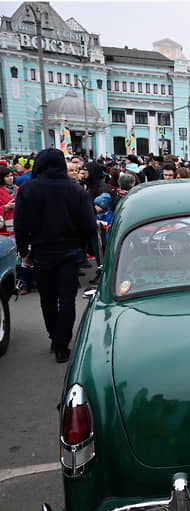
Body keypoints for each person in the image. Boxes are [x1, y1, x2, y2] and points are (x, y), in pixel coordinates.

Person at [13, 149, 97, 363]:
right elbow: (88, 225)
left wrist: (24, 251)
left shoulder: (28, 189)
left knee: (47, 298)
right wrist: (80, 247)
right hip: (69, 251)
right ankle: (62, 344)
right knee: (67, 299)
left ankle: (54, 337)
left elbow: (20, 224)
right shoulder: (76, 190)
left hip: (41, 251)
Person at [0, 165, 18, 233]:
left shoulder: (19, 189)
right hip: (4, 226)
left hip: (19, 222)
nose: (10, 178)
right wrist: (6, 207)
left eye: (11, 175)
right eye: (7, 176)